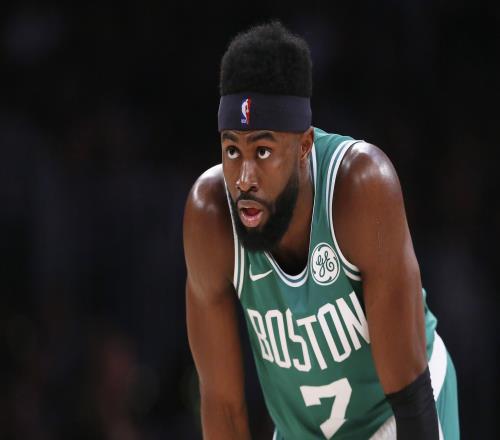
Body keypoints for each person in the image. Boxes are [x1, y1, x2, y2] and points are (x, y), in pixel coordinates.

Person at [183, 21, 459, 440]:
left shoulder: (361, 188)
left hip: (393, 414)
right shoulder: (210, 216)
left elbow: (410, 396)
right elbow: (222, 407)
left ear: (304, 146)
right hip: (303, 432)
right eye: (232, 150)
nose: (244, 178)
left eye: (263, 151)